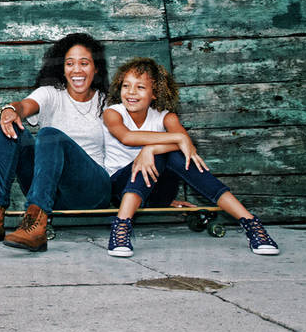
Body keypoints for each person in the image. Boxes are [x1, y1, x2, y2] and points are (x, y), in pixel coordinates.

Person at [101, 57, 280, 258]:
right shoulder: (112, 113)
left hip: (158, 192)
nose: (131, 92)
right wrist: (176, 138)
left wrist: (149, 150)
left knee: (170, 154)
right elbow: (127, 137)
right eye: (126, 86)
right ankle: (122, 225)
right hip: (119, 187)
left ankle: (250, 222)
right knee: (167, 151)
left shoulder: (166, 117)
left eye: (140, 87)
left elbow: (185, 146)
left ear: (155, 93)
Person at [0, 33, 112, 251]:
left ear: (96, 68)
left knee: (49, 135)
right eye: (70, 63)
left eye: (84, 63)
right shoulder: (50, 94)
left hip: (92, 190)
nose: (77, 70)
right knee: (10, 127)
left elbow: (128, 142)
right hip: (50, 194)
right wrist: (10, 110)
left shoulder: (107, 102)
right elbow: (24, 106)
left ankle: (36, 224)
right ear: (62, 69)